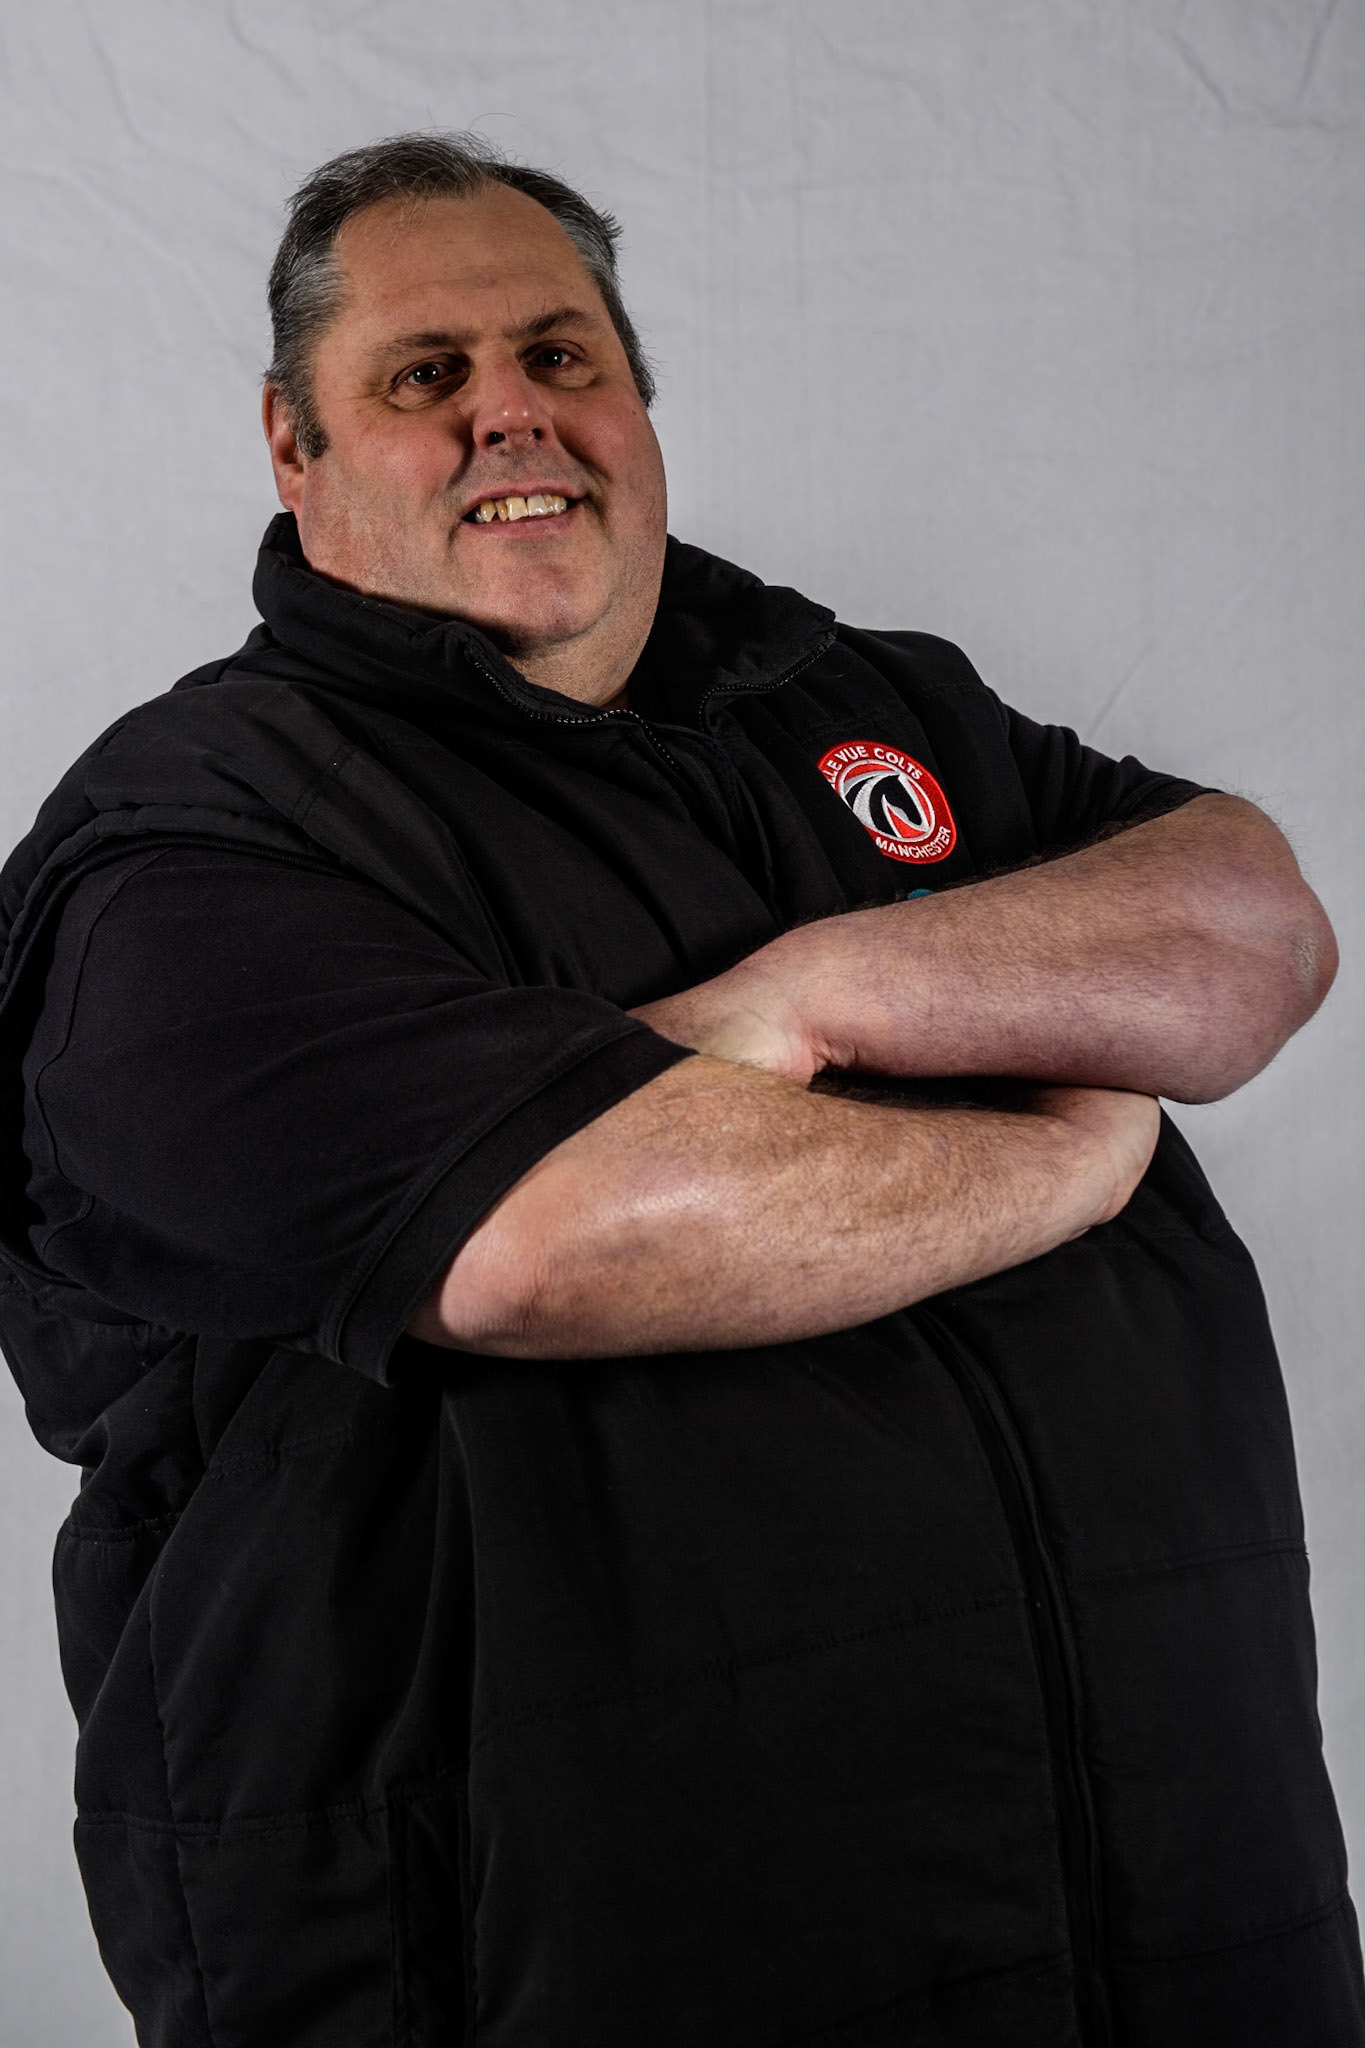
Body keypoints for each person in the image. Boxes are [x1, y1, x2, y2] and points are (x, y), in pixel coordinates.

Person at [0, 130, 1359, 2048]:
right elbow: (554, 1238)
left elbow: (1250, 935)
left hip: (1174, 1920)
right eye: (424, 375)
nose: (511, 417)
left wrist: (830, 983)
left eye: (564, 358)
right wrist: (1076, 1134)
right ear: (292, 447)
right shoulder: (188, 849)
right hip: (568, 1969)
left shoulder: (868, 706)